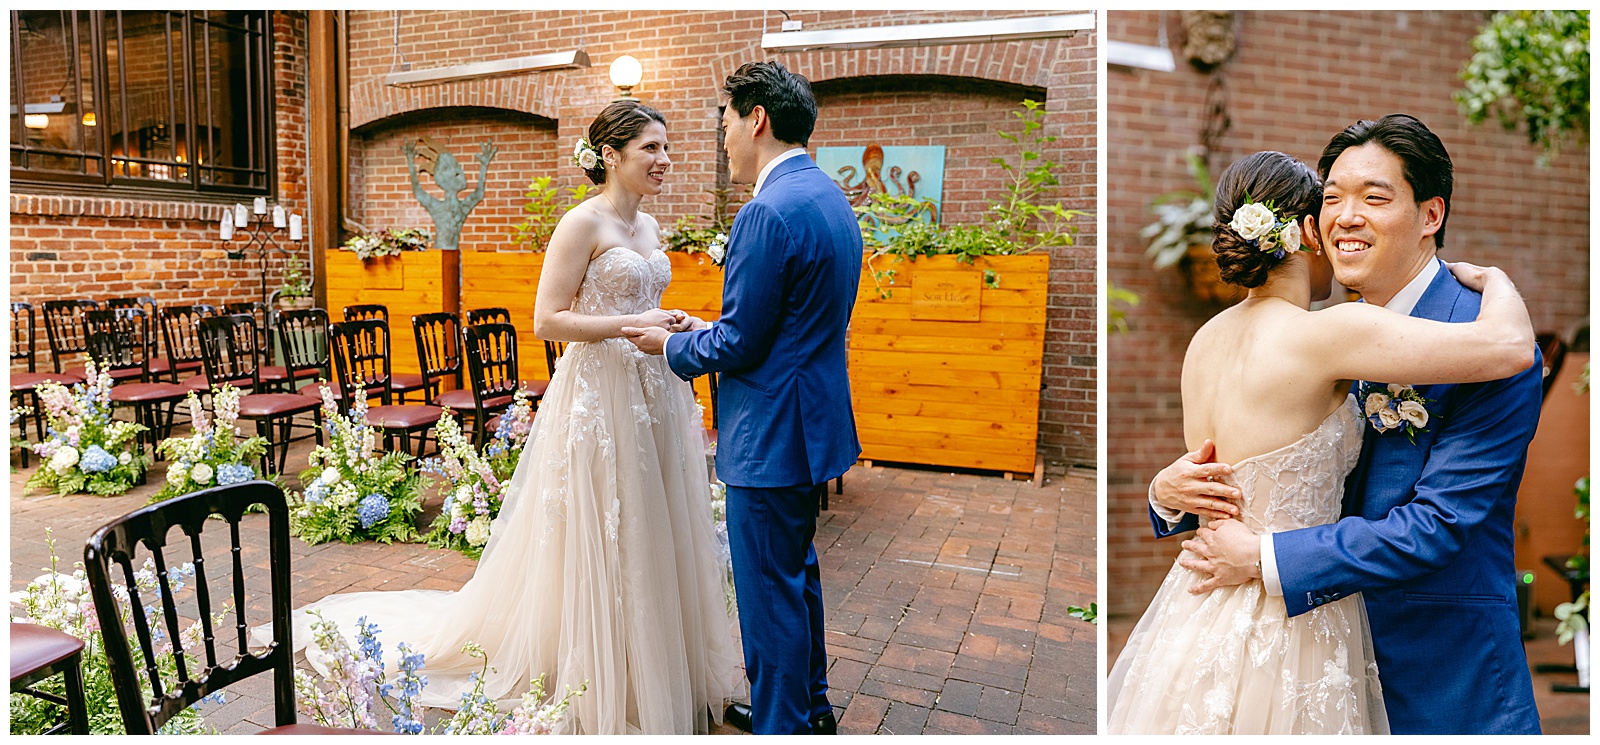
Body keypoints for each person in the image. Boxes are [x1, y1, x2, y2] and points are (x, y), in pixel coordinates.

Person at [286, 100, 741, 734]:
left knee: (655, 523)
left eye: (666, 148)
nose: (665, 160)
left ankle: (653, 661)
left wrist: (676, 321)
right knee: (604, 522)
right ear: (611, 155)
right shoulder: (582, 224)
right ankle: (593, 668)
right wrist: (627, 325)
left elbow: (646, 298)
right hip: (599, 391)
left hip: (653, 388)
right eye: (651, 149)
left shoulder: (652, 227)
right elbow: (548, 320)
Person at [1106, 139, 1537, 733]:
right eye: (1332, 199)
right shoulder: (1337, 331)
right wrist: (1501, 285)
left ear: (1430, 215)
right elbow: (1509, 345)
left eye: (1373, 197)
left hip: (1401, 657)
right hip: (1299, 633)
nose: (1346, 217)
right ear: (1309, 230)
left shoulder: (1208, 339)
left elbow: (1439, 520)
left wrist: (1174, 496)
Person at [624, 60, 862, 735]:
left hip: (770, 433)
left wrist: (667, 346)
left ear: (756, 119)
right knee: (796, 571)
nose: (722, 136)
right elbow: (784, 322)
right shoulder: (828, 197)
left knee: (766, 592)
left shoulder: (765, 211)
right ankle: (811, 707)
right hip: (813, 423)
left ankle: (781, 722)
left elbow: (741, 347)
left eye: (725, 120)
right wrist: (710, 326)